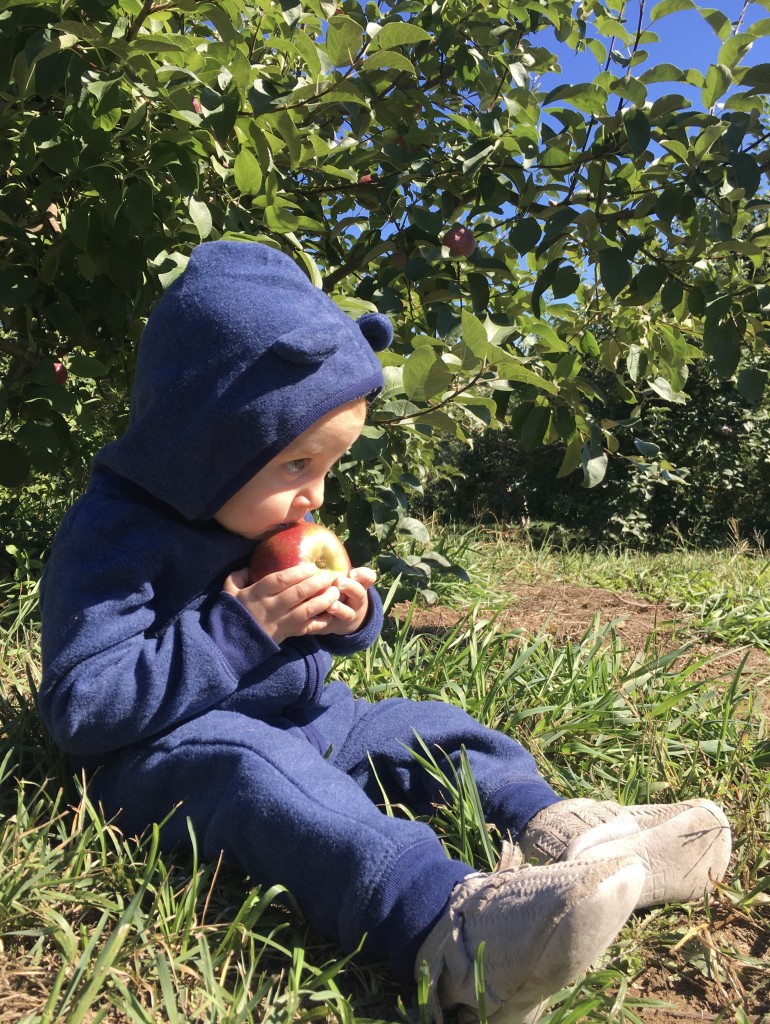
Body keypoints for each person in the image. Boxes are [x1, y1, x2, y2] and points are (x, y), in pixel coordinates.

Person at [38, 241, 732, 1023]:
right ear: (209, 442)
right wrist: (239, 630)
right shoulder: (111, 539)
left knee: (425, 728)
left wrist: (347, 617)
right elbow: (81, 707)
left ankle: (569, 835)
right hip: (176, 752)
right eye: (298, 465)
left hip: (315, 718)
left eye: (327, 468)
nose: (316, 496)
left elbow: (320, 641)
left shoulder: (252, 503)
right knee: (274, 785)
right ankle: (457, 934)